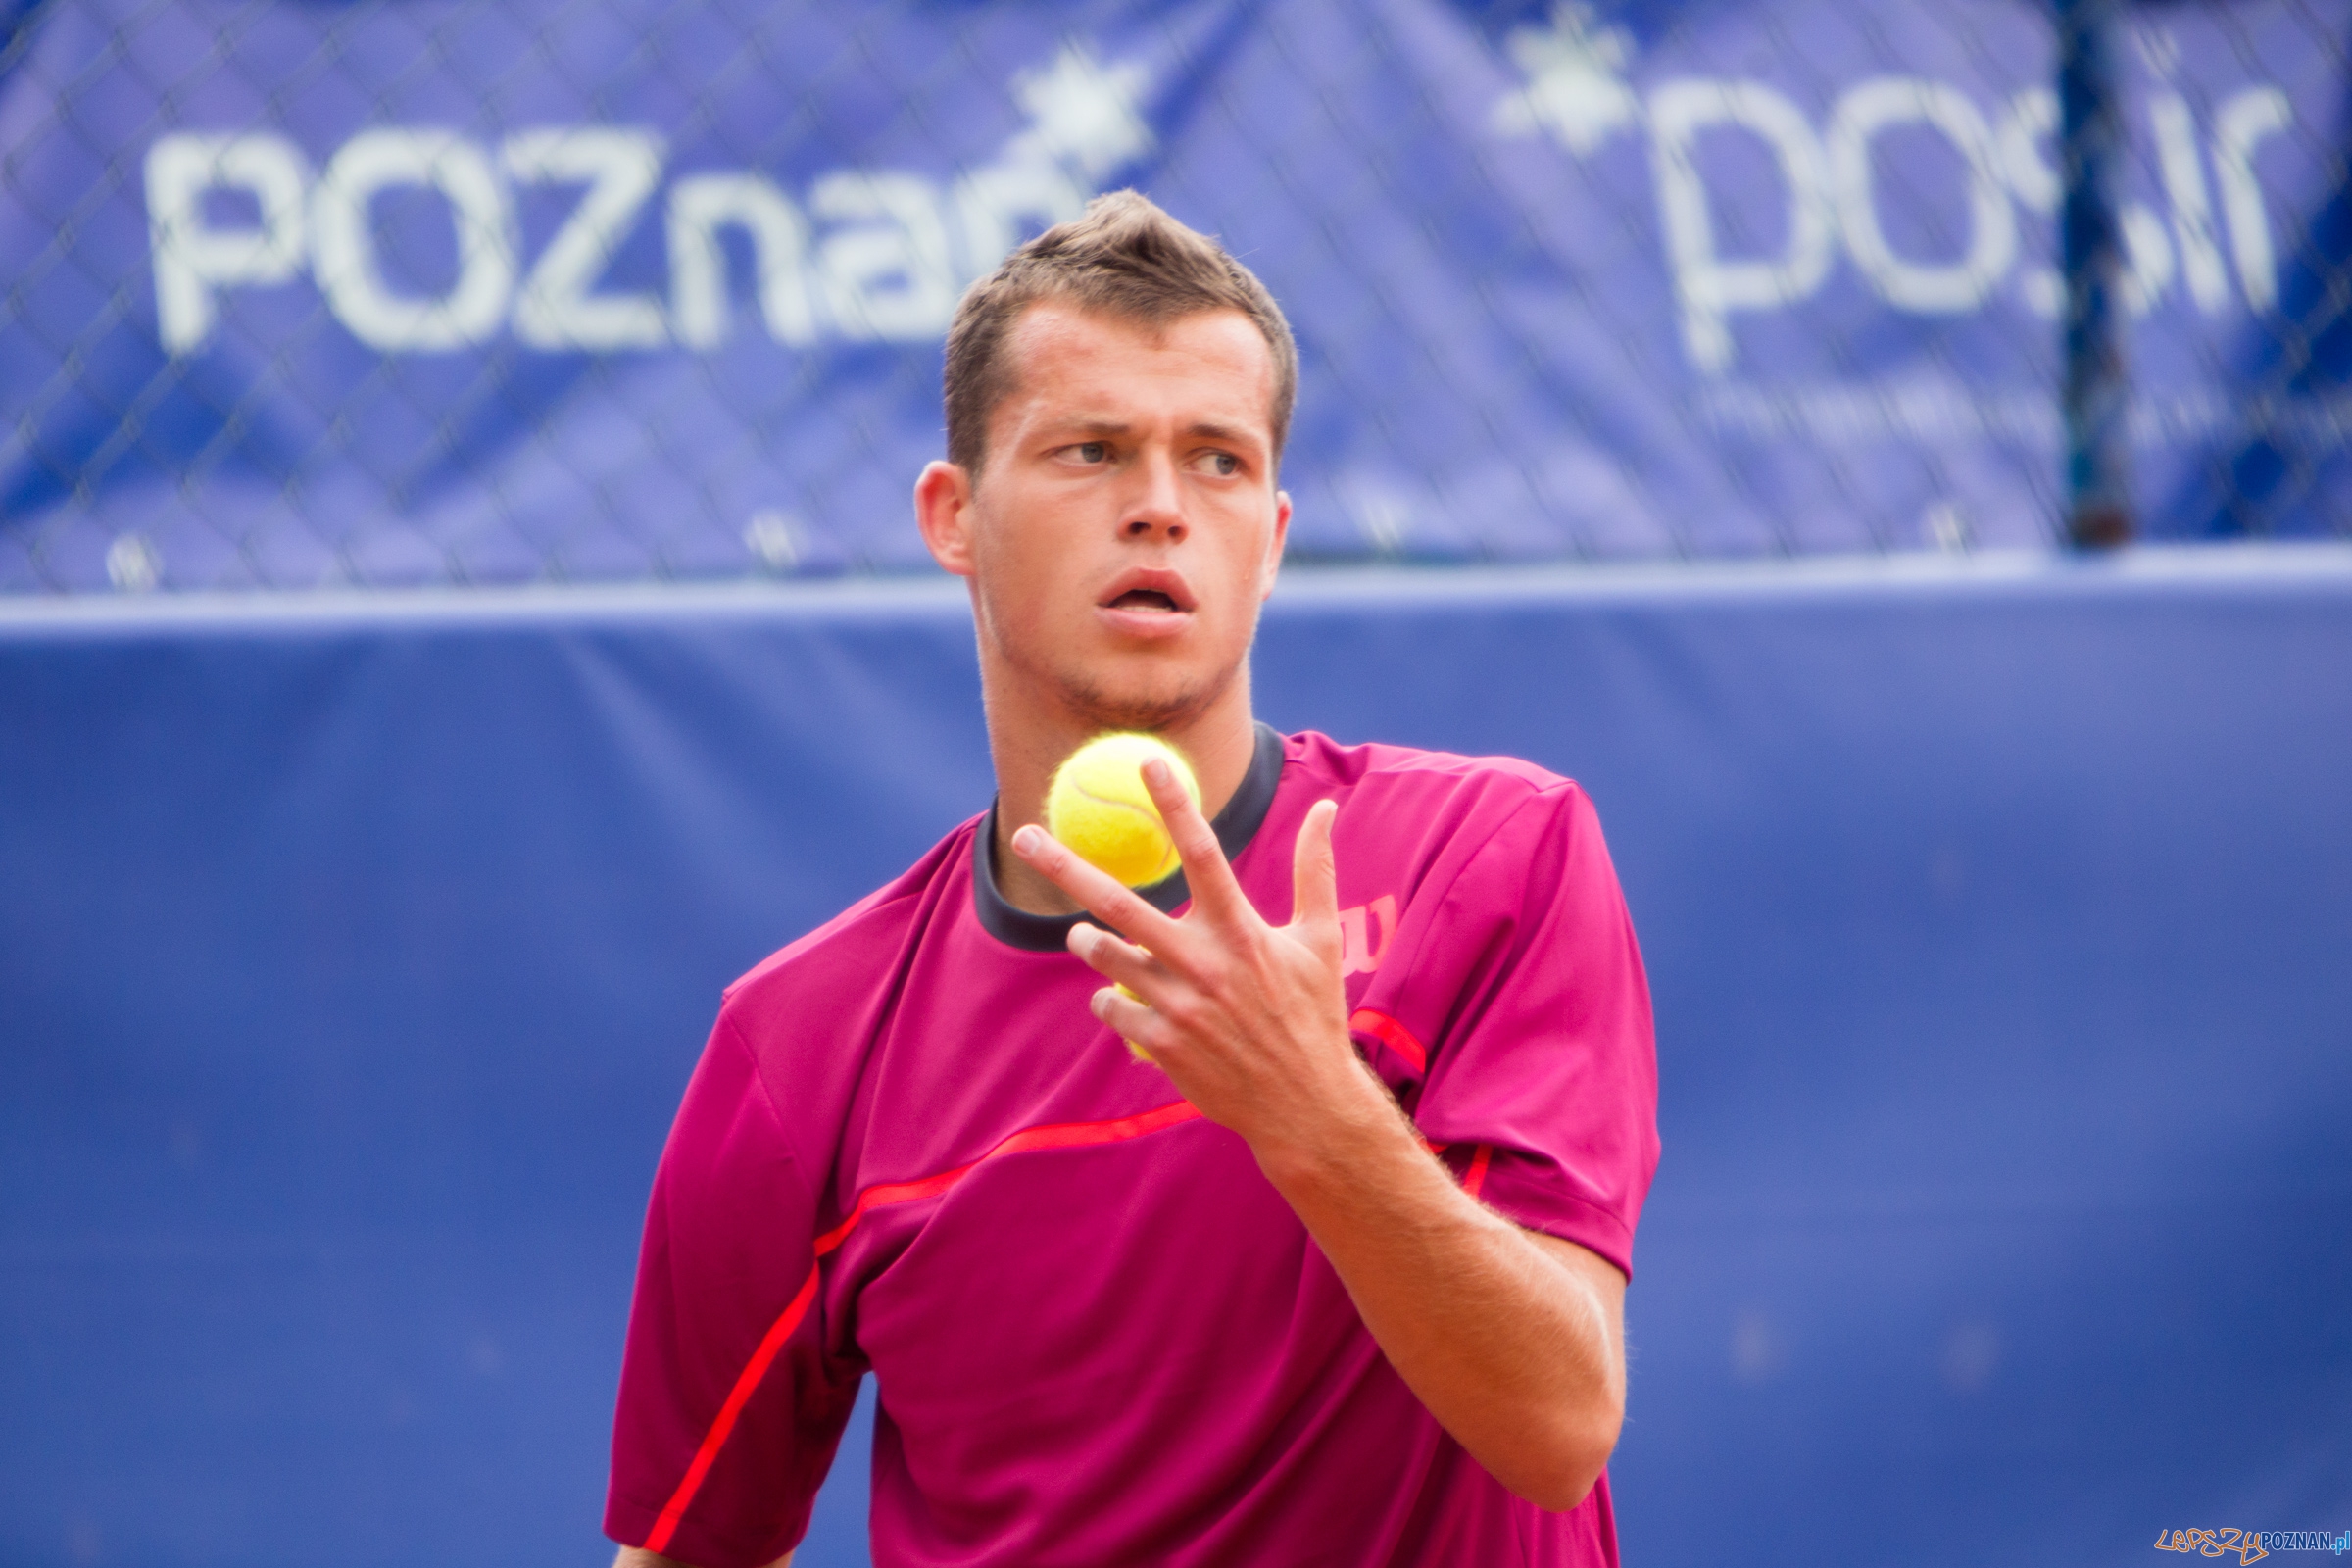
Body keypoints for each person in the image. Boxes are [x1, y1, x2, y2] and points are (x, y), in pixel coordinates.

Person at [605, 191, 1659, 1568]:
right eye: (1092, 451)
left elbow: (1560, 1418)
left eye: (1215, 461)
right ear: (954, 517)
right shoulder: (798, 1051)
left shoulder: (1493, 858)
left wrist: (1313, 1113)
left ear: (1273, 537)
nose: (1160, 508)